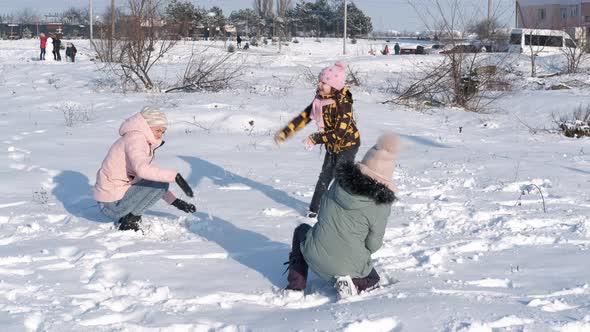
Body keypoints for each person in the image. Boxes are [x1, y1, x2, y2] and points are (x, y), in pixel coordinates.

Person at [284, 133, 400, 299]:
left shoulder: (339, 183)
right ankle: (351, 284)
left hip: (314, 256)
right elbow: (373, 244)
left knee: (301, 229)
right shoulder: (381, 205)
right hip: (350, 267)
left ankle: (296, 286)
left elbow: (322, 214)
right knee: (373, 278)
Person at [274, 61, 361, 218]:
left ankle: (347, 211)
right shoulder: (319, 101)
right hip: (331, 144)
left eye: (325, 82)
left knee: (342, 178)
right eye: (320, 81)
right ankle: (314, 210)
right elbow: (304, 117)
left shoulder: (343, 103)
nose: (320, 85)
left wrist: (315, 138)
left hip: (348, 144)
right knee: (325, 176)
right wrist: (285, 132)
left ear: (334, 86)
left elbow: (340, 132)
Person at [93, 106, 196, 232]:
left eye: (163, 132)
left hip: (111, 202)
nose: (160, 135)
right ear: (147, 126)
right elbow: (143, 171)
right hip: (112, 205)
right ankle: (129, 221)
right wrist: (175, 177)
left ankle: (130, 217)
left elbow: (148, 182)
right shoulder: (136, 139)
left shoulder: (139, 139)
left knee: (159, 183)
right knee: (161, 182)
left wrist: (176, 202)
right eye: (158, 130)